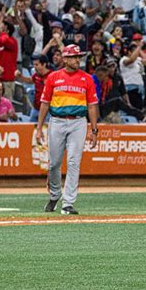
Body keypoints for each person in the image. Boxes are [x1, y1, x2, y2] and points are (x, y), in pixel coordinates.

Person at [36, 44, 99, 215]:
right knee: (54, 163)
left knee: (73, 162)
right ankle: (55, 194)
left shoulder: (87, 79)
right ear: (65, 59)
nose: (78, 60)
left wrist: (93, 130)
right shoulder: (53, 77)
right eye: (74, 57)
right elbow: (45, 103)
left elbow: (92, 106)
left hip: (78, 122)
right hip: (56, 121)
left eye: (79, 57)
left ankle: (68, 203)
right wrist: (39, 127)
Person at [14, 54, 52, 122]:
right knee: (30, 128)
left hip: (47, 109)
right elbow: (30, 80)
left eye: (37, 65)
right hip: (36, 108)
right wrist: (20, 76)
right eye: (34, 64)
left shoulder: (52, 76)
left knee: (46, 128)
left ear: (44, 64)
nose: (34, 67)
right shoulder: (36, 75)